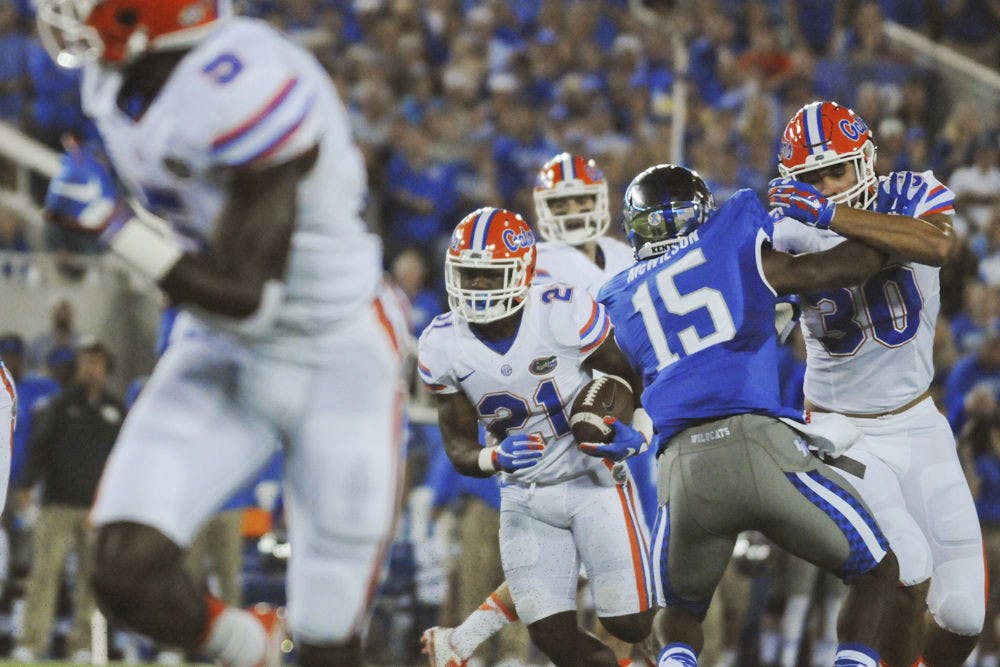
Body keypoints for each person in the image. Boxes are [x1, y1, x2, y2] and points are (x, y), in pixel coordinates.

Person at [35, 0, 412, 665]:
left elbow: (249, 298)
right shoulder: (119, 78)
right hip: (219, 346)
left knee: (329, 639)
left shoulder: (248, 85)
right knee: (123, 572)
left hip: (336, 352)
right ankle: (252, 646)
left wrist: (114, 226)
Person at [598, 163, 900, 667]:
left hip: (683, 470)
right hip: (760, 448)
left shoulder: (617, 295)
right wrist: (890, 235)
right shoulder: (731, 241)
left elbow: (614, 381)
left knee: (679, 616)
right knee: (878, 573)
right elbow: (840, 268)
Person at [769, 100, 984, 667]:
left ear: (864, 160)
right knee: (904, 572)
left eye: (835, 171)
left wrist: (829, 215)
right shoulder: (783, 227)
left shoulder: (913, 192)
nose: (826, 186)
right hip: (840, 432)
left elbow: (938, 246)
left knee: (964, 616)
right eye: (812, 178)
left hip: (917, 420)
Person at [421, 154, 657, 667]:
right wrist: (493, 458)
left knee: (632, 618)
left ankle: (463, 638)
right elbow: (458, 441)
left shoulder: (564, 299)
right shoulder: (443, 343)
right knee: (553, 637)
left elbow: (626, 370)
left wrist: (636, 420)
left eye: (491, 275)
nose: (479, 287)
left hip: (593, 457)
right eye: (470, 274)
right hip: (524, 493)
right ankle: (465, 639)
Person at [10, 339, 121, 663]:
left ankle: (83, 645)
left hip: (97, 508)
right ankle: (32, 641)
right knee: (44, 574)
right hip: (57, 503)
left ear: (107, 368)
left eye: (98, 362)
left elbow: (125, 459)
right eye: (86, 362)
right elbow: (39, 447)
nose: (92, 368)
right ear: (78, 367)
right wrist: (27, 486)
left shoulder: (116, 411)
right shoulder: (58, 405)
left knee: (90, 580)